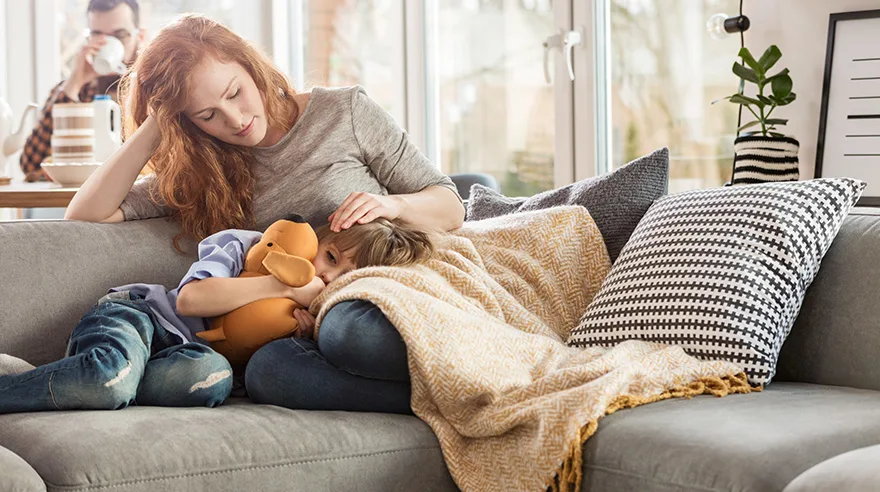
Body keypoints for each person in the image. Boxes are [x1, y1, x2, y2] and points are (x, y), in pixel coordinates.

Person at [63, 14, 464, 414]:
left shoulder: (345, 113)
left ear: (251, 66)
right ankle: (437, 401)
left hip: (372, 299)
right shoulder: (204, 172)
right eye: (206, 114)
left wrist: (396, 205)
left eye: (235, 92)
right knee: (268, 373)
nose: (234, 120)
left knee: (350, 334)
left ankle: (446, 389)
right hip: (296, 330)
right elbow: (85, 215)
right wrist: (156, 123)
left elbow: (450, 205)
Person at [0, 216, 434, 414]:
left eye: (342, 276)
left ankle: (96, 380)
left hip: (188, 362)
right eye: (331, 255)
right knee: (107, 378)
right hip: (140, 318)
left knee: (210, 380)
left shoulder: (318, 319)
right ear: (319, 236)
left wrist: (302, 333)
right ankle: (31, 383)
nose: (324, 273)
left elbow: (264, 361)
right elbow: (191, 302)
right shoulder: (249, 247)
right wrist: (279, 284)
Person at [20, 0, 146, 182]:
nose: (107, 44)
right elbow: (31, 164)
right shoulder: (76, 91)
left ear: (139, 37)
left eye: (119, 35)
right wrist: (73, 84)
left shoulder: (155, 89)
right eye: (97, 35)